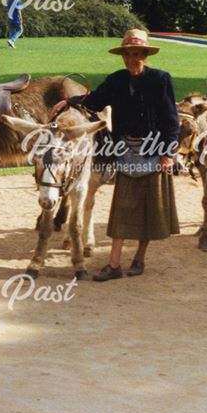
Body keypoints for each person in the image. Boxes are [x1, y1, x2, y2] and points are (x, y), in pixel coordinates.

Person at [71, 30, 179, 281]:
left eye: (137, 54)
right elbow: (94, 101)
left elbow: (171, 120)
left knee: (150, 210)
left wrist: (168, 153)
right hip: (125, 152)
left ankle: (139, 258)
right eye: (128, 54)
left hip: (154, 152)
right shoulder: (116, 80)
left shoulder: (160, 80)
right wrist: (68, 102)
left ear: (145, 55)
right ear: (123, 56)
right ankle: (114, 265)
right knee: (121, 208)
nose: (132, 59)